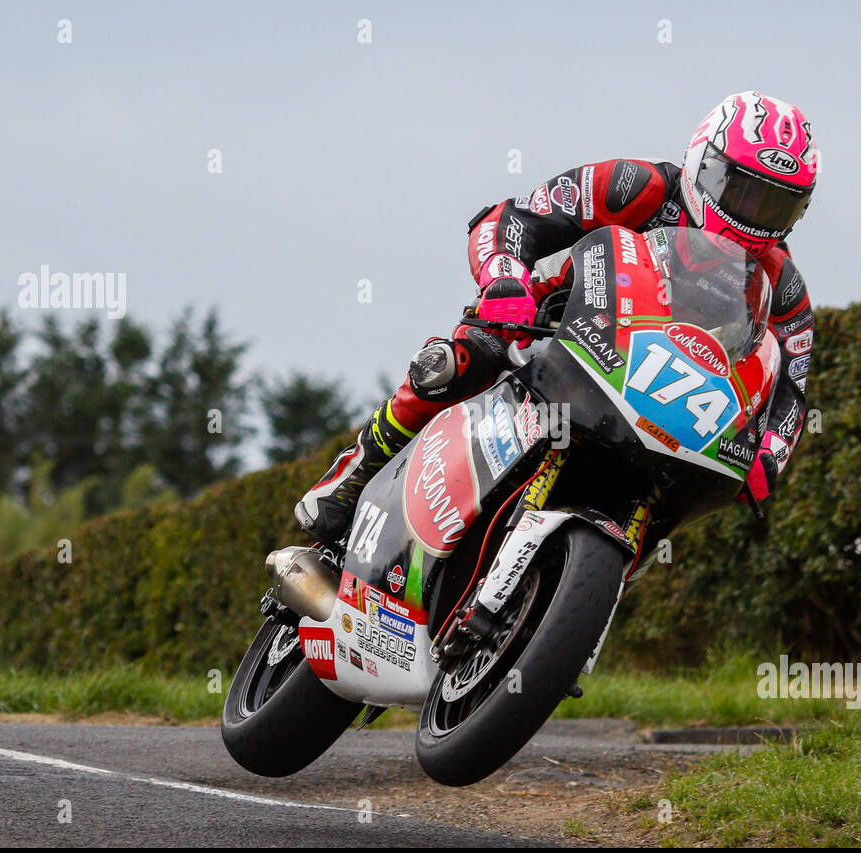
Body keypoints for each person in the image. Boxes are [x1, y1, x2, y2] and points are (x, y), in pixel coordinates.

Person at [296, 91, 819, 547]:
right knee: (464, 358)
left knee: (684, 489)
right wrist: (505, 279)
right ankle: (355, 470)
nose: (753, 215)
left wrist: (768, 454)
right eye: (744, 190)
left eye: (776, 205)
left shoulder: (784, 285)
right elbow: (513, 217)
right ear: (705, 163)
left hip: (661, 394)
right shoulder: (638, 185)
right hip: (554, 319)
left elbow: (791, 384)